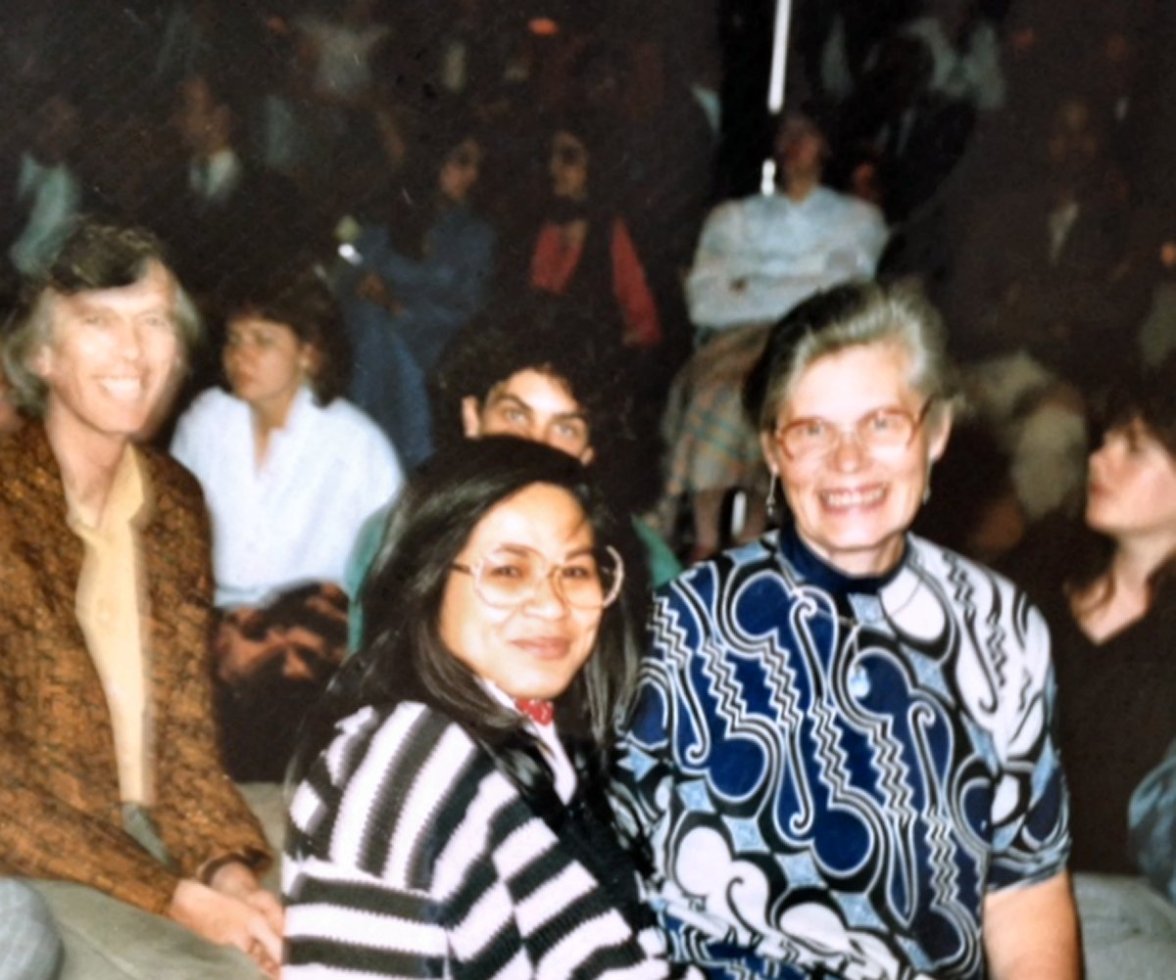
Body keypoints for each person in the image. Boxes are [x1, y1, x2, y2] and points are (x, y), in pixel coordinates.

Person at [614, 281, 1080, 979]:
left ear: (938, 433)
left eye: (883, 422)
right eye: (811, 430)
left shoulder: (1000, 626)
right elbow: (604, 881)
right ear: (774, 453)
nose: (849, 460)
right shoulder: (680, 628)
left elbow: (1025, 891)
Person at [284, 438, 684, 978]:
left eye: (575, 571)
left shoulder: (557, 743)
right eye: (508, 571)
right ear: (425, 582)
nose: (551, 604)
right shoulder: (399, 761)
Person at [0, 220, 280, 976]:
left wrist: (230, 875)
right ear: (39, 355)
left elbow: (187, 737)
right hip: (35, 858)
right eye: (97, 323)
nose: (132, 353)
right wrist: (181, 900)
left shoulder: (175, 502)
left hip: (150, 830)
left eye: (153, 322)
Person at [171, 263, 402, 780]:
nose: (241, 355)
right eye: (234, 340)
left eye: (263, 340)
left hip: (314, 624)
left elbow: (386, 570)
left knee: (280, 669)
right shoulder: (206, 422)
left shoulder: (356, 444)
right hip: (220, 613)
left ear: (308, 352)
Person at [344, 301, 680, 649]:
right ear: (473, 417)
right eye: (515, 416)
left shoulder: (642, 559)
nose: (535, 445)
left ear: (588, 451)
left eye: (565, 429)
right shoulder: (399, 535)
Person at [1001, 363, 1176, 974]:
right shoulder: (1042, 567)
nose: (1100, 459)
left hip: (1129, 903)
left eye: (1134, 449)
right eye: (1105, 441)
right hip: (1000, 877)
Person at [661, 110, 888, 559]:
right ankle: (705, 542)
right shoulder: (733, 218)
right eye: (785, 134)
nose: (793, 143)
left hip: (811, 343)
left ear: (825, 145)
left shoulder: (857, 219)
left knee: (785, 401)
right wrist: (806, 284)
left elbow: (841, 298)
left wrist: (750, 285)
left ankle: (757, 537)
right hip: (732, 341)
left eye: (806, 133)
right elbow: (705, 301)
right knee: (720, 395)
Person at [335, 117, 497, 469]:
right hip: (378, 353)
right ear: (435, 160)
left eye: (476, 166)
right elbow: (347, 257)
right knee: (372, 322)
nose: (471, 176)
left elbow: (471, 309)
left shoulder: (475, 236)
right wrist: (361, 279)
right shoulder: (393, 217)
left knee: (391, 336)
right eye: (461, 162)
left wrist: (401, 307)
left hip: (435, 358)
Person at [527, 117, 662, 350]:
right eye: (552, 155)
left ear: (594, 162)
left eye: (569, 157)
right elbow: (536, 302)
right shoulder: (541, 218)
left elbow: (645, 323)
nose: (554, 166)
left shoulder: (613, 228)